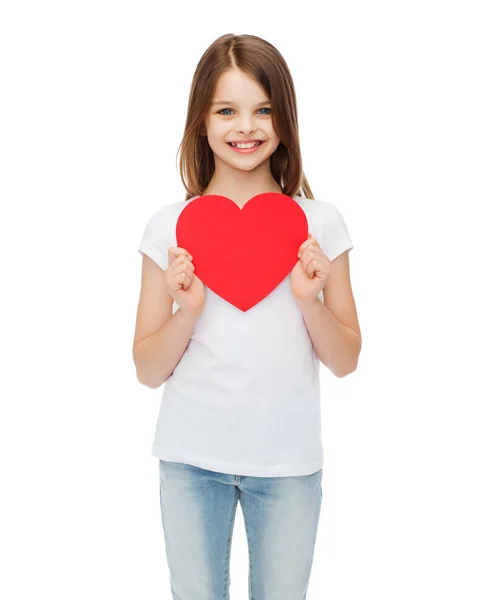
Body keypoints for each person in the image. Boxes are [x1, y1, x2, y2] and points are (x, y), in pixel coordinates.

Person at [133, 33, 362, 600]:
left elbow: (347, 359)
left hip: (288, 465)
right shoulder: (168, 228)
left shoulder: (320, 224)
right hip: (190, 462)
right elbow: (146, 368)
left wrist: (309, 299)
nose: (247, 126)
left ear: (284, 119)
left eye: (263, 109)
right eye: (227, 110)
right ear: (201, 122)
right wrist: (187, 310)